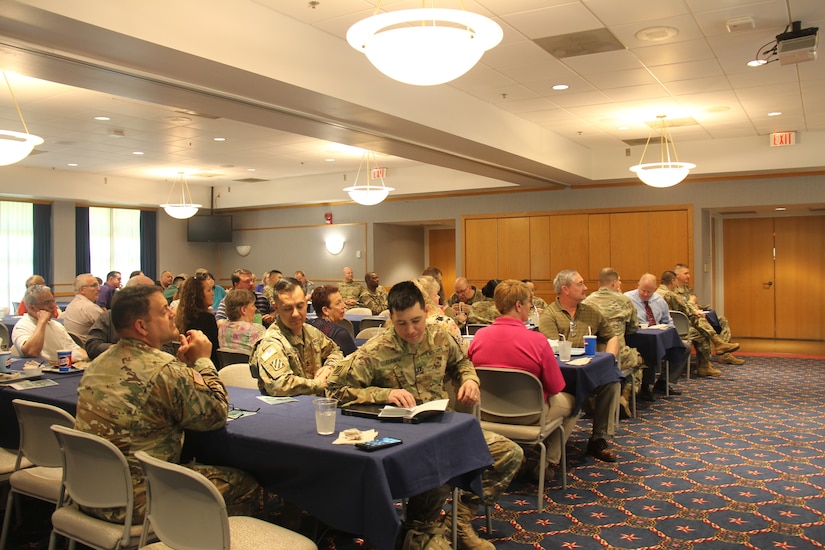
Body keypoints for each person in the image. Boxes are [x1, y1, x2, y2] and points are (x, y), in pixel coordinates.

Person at [326, 281, 522, 550]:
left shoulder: (440, 336)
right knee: (438, 461)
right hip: (403, 437)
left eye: (416, 320)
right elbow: (335, 390)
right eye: (401, 323)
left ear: (426, 311)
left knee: (508, 453)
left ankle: (459, 523)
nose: (410, 330)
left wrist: (470, 380)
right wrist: (383, 394)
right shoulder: (376, 349)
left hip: (440, 426)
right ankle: (419, 528)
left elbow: (462, 362)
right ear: (391, 318)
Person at [75, 284, 259, 524]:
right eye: (163, 311)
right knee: (245, 482)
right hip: (136, 499)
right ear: (141, 326)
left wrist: (185, 368)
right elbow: (216, 414)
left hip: (87, 491)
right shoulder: (164, 369)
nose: (172, 313)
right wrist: (203, 361)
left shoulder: (97, 364)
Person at [468, 279, 577, 481]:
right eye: (529, 303)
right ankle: (548, 463)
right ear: (519, 305)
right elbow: (555, 387)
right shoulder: (537, 340)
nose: (530, 307)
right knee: (574, 401)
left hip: (486, 414)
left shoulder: (479, 337)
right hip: (531, 416)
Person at [538, 269, 621, 462]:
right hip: (562, 376)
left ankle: (599, 439)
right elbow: (552, 350)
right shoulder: (550, 316)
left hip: (589, 371)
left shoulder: (591, 312)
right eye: (580, 284)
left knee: (612, 382)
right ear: (565, 289)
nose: (585, 288)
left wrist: (609, 357)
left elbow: (612, 336)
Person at [250, 278, 343, 396]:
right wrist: (318, 384)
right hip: (288, 410)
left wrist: (329, 367)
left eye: (300, 306)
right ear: (276, 308)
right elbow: (280, 384)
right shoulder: (271, 343)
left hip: (314, 405)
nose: (295, 314)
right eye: (288, 308)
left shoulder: (310, 332)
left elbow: (335, 352)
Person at [582, 268, 645, 413]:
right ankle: (624, 396)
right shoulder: (624, 300)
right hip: (618, 354)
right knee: (638, 359)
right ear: (614, 283)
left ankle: (593, 398)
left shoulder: (586, 302)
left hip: (594, 355)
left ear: (599, 283)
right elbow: (633, 328)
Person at [657, 270, 741, 377]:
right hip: (676, 329)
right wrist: (694, 307)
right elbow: (686, 310)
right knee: (701, 333)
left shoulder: (656, 293)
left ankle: (718, 344)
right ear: (673, 281)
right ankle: (705, 365)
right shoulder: (670, 295)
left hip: (662, 328)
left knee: (699, 323)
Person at [623, 273, 688, 399]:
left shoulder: (659, 300)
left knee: (684, 348)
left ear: (655, 289)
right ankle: (646, 386)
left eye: (649, 291)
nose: (646, 294)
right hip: (636, 338)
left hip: (657, 335)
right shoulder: (627, 299)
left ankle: (663, 382)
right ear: (638, 285)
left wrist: (667, 329)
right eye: (643, 290)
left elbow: (668, 322)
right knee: (650, 349)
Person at [85, 274, 179, 360]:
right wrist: (118, 349)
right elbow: (92, 345)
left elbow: (168, 349)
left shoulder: (161, 322)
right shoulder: (108, 316)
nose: (172, 314)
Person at [673, 263, 744, 365]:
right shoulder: (673, 291)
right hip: (686, 321)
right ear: (677, 275)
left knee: (722, 320)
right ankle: (707, 361)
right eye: (686, 273)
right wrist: (692, 303)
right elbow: (682, 308)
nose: (689, 276)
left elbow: (693, 303)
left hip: (696, 315)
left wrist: (702, 309)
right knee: (702, 325)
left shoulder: (687, 289)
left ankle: (725, 354)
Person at [12, 284, 87, 363]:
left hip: (65, 367)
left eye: (53, 301)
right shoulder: (22, 326)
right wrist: (41, 322)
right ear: (31, 307)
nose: (53, 306)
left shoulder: (56, 325)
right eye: (47, 303)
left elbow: (76, 349)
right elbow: (31, 352)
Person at [175, 274, 220, 367]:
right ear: (198, 295)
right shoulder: (206, 318)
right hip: (204, 367)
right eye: (209, 290)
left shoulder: (181, 316)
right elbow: (214, 353)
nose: (213, 293)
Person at [306, 285, 357, 356]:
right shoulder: (340, 334)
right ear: (325, 310)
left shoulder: (307, 326)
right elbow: (356, 363)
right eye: (338, 303)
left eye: (342, 301)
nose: (344, 306)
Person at [218, 288, 266, 355]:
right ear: (243, 310)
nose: (255, 309)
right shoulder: (258, 330)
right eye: (252, 305)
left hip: (227, 365)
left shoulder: (222, 328)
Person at [62, 273, 104, 343]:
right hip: (88, 348)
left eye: (98, 285)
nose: (99, 289)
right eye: (94, 285)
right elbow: (110, 330)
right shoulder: (90, 308)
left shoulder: (71, 305)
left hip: (74, 346)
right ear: (82, 290)